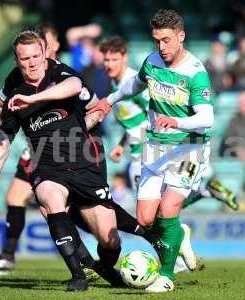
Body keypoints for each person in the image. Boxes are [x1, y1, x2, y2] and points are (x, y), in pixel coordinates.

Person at [0, 30, 123, 291]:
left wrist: (33, 99)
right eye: (24, 59)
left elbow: (76, 88)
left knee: (110, 240)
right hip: (47, 166)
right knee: (49, 199)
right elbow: (2, 141)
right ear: (16, 60)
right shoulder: (14, 88)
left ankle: (101, 266)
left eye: (36, 56)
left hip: (82, 158)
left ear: (46, 53)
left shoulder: (60, 72)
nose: (31, 63)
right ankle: (78, 275)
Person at [87, 9, 217, 292]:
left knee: (169, 208)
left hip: (188, 148)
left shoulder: (195, 73)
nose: (162, 47)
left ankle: (167, 277)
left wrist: (178, 121)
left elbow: (207, 117)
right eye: (157, 40)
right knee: (146, 219)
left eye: (167, 40)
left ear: (181, 37)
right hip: (156, 148)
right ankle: (179, 235)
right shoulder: (152, 61)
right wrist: (109, 100)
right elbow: (134, 84)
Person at [101, 36, 238, 213]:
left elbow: (153, 115)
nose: (109, 64)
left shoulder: (137, 83)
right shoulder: (116, 85)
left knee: (158, 210)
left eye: (114, 59)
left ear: (125, 58)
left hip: (151, 152)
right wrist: (121, 144)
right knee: (157, 210)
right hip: (138, 152)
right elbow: (135, 122)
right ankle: (205, 192)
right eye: (106, 59)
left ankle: (200, 200)